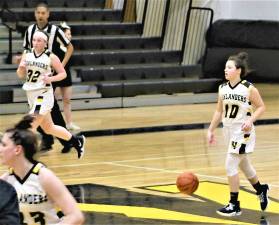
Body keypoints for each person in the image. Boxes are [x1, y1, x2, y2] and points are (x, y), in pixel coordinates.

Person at [207, 52, 269, 216]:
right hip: (228, 131)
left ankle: (234, 204)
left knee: (230, 165)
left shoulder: (248, 88)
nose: (225, 70)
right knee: (244, 165)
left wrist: (251, 120)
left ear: (238, 70)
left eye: (229, 67)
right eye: (225, 67)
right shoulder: (222, 88)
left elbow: (262, 106)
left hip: (243, 133)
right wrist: (210, 129)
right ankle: (261, 189)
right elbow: (219, 111)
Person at [0, 115, 84, 225]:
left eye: (4, 145)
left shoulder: (44, 177)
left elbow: (76, 216)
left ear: (17, 150)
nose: (0, 149)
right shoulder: (5, 181)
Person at [17, 30, 85, 159]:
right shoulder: (27, 54)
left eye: (39, 40)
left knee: (30, 125)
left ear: (45, 43)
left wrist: (50, 79)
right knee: (49, 128)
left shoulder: (51, 57)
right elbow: (20, 75)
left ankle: (24, 157)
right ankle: (77, 140)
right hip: (31, 94)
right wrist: (21, 68)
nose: (35, 43)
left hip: (43, 96)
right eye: (34, 40)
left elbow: (63, 74)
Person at [23, 2, 74, 153]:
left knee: (43, 110)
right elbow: (26, 50)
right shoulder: (30, 30)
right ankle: (56, 139)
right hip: (35, 77)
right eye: (38, 13)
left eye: (43, 13)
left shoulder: (55, 30)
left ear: (48, 14)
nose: (40, 15)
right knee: (43, 110)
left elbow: (70, 47)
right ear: (35, 14)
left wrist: (61, 65)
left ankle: (61, 140)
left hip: (48, 76)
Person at [53, 22, 81, 131]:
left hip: (66, 75)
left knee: (67, 100)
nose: (69, 36)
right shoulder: (55, 46)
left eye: (70, 34)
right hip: (55, 75)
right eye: (67, 34)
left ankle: (69, 123)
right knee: (52, 102)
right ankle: (53, 123)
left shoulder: (69, 47)